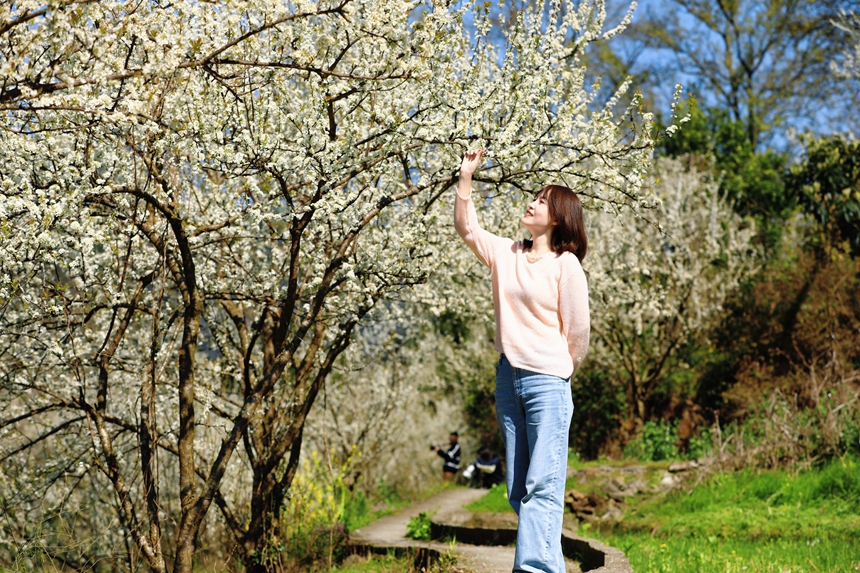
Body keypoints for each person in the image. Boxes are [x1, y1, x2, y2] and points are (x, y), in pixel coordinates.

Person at [454, 149, 590, 573]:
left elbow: (578, 333)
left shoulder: (565, 266)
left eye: (542, 200)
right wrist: (465, 177)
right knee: (518, 488)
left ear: (558, 217)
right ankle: (549, 567)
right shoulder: (507, 253)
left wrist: (559, 371)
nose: (531, 202)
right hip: (508, 380)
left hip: (548, 382)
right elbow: (468, 228)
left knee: (542, 485)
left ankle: (533, 570)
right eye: (533, 196)